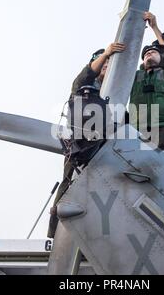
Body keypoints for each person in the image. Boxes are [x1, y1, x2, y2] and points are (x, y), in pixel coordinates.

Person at [47, 42, 125, 238]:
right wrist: (106, 53)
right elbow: (85, 76)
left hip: (105, 147)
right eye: (103, 62)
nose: (107, 65)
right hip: (81, 145)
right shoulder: (84, 86)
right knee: (69, 184)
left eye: (109, 63)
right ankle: (55, 233)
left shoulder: (114, 95)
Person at [129, 12, 164, 154]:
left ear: (162, 57)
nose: (148, 53)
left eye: (153, 52)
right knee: (135, 172)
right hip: (137, 131)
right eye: (146, 54)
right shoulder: (134, 77)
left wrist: (154, 27)